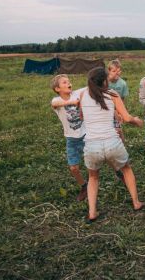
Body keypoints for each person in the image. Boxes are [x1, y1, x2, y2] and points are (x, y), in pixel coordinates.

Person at [80, 67, 144, 223]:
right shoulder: (112, 95)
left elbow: (77, 111)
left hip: (92, 145)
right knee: (127, 169)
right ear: (104, 80)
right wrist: (137, 120)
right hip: (112, 142)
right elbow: (127, 118)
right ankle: (136, 202)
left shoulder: (81, 94)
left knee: (93, 177)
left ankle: (92, 212)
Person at [50, 74, 88, 202]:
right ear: (57, 89)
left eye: (69, 81)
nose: (68, 83)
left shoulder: (77, 93)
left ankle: (118, 171)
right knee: (73, 168)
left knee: (95, 161)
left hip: (85, 135)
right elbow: (55, 103)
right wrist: (72, 102)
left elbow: (90, 86)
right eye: (64, 83)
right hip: (71, 140)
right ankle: (84, 186)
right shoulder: (56, 100)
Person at [108, 59, 129, 143]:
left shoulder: (123, 84)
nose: (116, 73)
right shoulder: (105, 82)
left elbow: (123, 100)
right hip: (106, 109)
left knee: (118, 130)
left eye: (118, 71)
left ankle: (122, 146)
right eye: (113, 71)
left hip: (117, 110)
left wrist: (121, 113)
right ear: (108, 71)